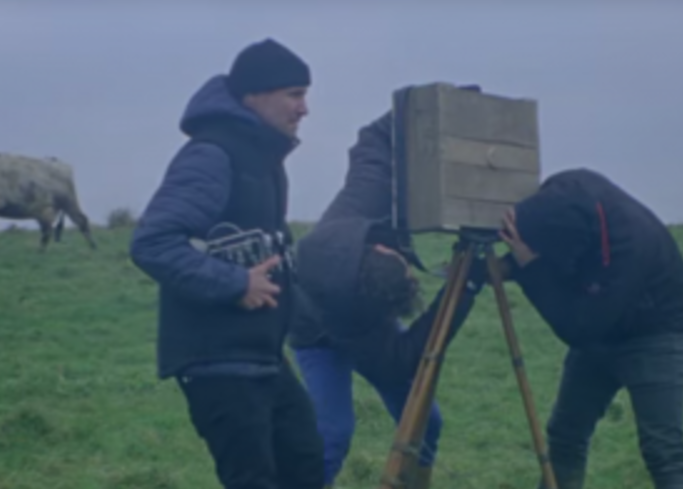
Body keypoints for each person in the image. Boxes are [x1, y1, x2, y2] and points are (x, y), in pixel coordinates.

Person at [129, 38, 324, 489]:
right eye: (294, 94)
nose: (305, 108)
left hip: (264, 358)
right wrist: (235, 283)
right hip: (218, 361)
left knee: (306, 466)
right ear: (253, 96)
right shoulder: (213, 154)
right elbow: (153, 242)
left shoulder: (265, 158)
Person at [288, 107, 483, 488]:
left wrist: (426, 106)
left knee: (427, 423)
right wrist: (465, 289)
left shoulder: (358, 210)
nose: (410, 264)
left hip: (355, 315)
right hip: (316, 337)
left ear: (377, 250)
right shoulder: (364, 326)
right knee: (333, 434)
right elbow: (405, 355)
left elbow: (373, 146)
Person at [498, 168, 683, 489]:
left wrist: (530, 268)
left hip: (654, 335)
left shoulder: (630, 243)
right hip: (601, 334)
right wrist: (507, 263)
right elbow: (561, 248)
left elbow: (579, 328)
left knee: (665, 452)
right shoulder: (568, 200)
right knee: (565, 437)